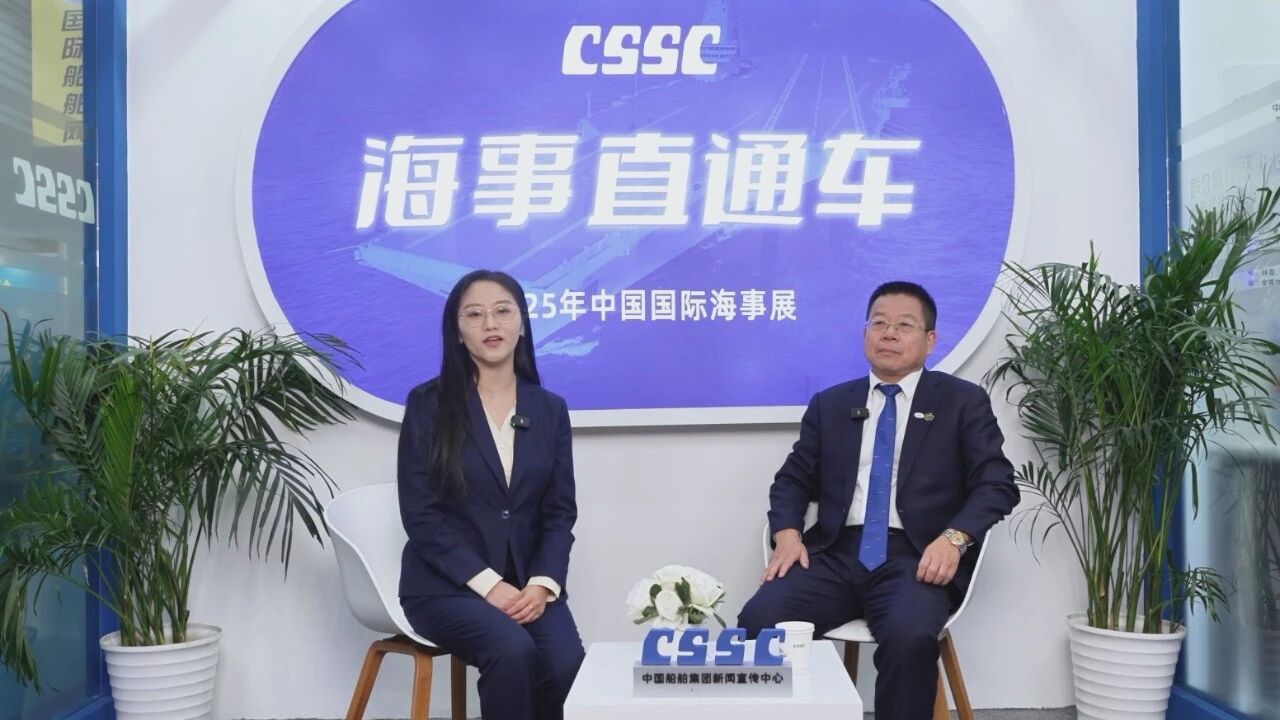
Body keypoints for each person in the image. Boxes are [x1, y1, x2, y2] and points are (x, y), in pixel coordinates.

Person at [737, 280, 1020, 719]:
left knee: (909, 637)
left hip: (917, 556)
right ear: (865, 332)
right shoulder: (831, 404)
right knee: (759, 622)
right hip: (835, 555)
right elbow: (792, 480)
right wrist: (788, 533)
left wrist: (954, 539)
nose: (889, 333)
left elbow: (997, 483)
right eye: (879, 323)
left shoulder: (961, 402)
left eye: (904, 326)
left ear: (930, 340)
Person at [398, 269, 584, 720]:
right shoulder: (428, 404)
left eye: (503, 311)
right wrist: (488, 584)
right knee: (512, 650)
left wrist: (542, 585)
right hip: (445, 587)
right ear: (457, 331)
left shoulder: (549, 409)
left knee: (567, 665)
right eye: (474, 314)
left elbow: (558, 513)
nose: (490, 324)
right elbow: (421, 515)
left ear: (522, 324)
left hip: (526, 585)